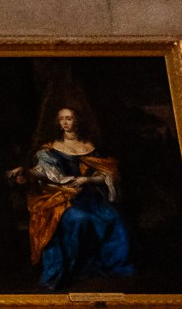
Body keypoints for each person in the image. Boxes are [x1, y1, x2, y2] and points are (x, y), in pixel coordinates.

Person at [10, 104, 133, 291]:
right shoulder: (50, 150)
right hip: (64, 198)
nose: (65, 122)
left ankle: (112, 266)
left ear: (77, 121)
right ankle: (74, 270)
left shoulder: (90, 147)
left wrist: (88, 179)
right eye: (61, 119)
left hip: (92, 197)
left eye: (69, 118)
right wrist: (26, 172)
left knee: (116, 220)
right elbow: (44, 173)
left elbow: (107, 173)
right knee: (79, 220)